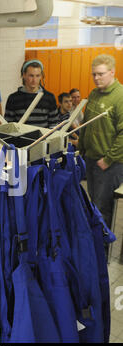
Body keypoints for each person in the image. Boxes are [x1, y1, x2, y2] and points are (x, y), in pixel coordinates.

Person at [78, 54, 123, 229]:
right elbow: (86, 125)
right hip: (91, 159)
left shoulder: (120, 97)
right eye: (94, 74)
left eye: (101, 74)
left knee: (102, 208)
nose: (96, 78)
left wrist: (108, 159)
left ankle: (101, 252)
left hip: (109, 164)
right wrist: (81, 150)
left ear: (112, 72)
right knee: (93, 205)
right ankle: (95, 245)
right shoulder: (94, 94)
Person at [4, 59, 59, 129]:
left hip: (43, 139)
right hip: (20, 139)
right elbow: (8, 125)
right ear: (24, 75)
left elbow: (54, 124)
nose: (34, 80)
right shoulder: (13, 98)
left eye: (37, 76)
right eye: (31, 76)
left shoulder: (49, 97)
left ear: (41, 76)